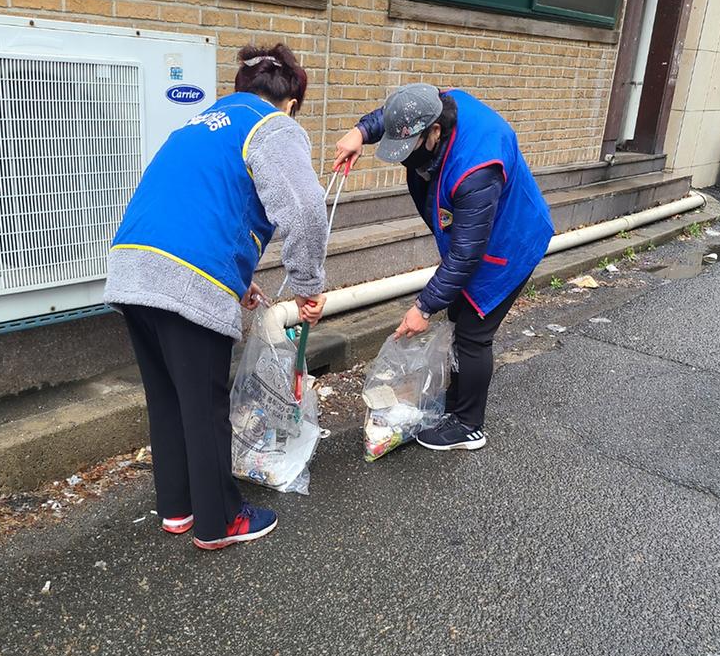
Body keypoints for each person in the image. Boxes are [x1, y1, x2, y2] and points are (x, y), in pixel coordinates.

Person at [105, 44, 327, 550]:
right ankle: (220, 521)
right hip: (184, 275)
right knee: (205, 403)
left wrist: (239, 280)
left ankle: (178, 510)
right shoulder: (272, 126)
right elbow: (306, 209)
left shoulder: (198, 122)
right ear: (290, 98)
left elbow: (196, 209)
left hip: (132, 265)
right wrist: (310, 286)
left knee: (166, 397)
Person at [334, 83, 553, 452]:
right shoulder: (433, 103)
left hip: (508, 243)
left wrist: (422, 308)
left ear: (434, 131)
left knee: (473, 332)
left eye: (409, 149)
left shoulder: (475, 170)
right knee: (456, 318)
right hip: (477, 235)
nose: (404, 158)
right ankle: (454, 405)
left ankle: (469, 425)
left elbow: (467, 255)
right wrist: (361, 132)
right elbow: (395, 115)